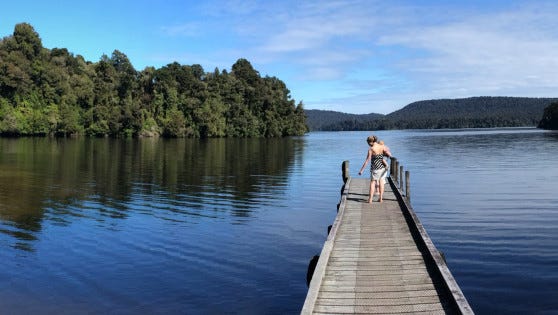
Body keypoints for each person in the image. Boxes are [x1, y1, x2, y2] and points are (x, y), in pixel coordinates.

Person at [358, 135, 391, 203]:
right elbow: (389, 154)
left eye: (368, 143)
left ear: (371, 142)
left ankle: (370, 199)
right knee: (381, 182)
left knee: (372, 183)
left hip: (375, 169)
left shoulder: (371, 149)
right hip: (382, 168)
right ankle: (381, 199)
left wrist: (361, 170)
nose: (368, 145)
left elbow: (367, 160)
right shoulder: (382, 146)